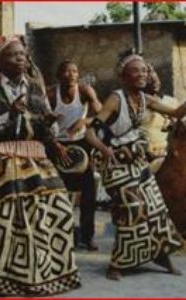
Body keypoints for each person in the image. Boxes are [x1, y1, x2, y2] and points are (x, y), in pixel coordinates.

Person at [0, 36, 81, 296]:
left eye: (22, 54)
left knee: (58, 207)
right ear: (0, 61)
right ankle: (2, 277)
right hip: (2, 159)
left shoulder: (36, 87)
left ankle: (48, 273)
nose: (20, 58)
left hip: (35, 157)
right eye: (12, 55)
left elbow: (46, 127)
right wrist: (12, 115)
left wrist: (48, 121)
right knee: (5, 217)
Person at [85, 50, 184, 281]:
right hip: (115, 164)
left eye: (144, 71)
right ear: (124, 76)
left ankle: (161, 254)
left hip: (136, 161)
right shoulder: (115, 99)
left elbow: (177, 112)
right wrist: (104, 149)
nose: (142, 75)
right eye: (136, 71)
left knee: (155, 206)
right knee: (131, 207)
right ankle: (118, 263)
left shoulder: (146, 99)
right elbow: (91, 131)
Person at [47, 60, 102, 250]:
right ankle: (59, 234)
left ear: (78, 75)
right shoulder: (51, 94)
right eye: (66, 71)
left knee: (89, 191)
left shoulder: (85, 91)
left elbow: (102, 115)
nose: (70, 74)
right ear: (58, 76)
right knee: (56, 191)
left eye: (74, 71)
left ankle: (88, 236)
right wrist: (54, 143)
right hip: (56, 144)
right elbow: (40, 125)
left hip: (80, 144)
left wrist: (84, 121)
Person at [141, 63, 179, 173]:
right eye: (150, 81)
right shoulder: (136, 105)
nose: (154, 81)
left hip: (166, 156)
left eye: (153, 73)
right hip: (144, 158)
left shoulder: (171, 102)